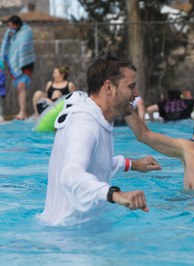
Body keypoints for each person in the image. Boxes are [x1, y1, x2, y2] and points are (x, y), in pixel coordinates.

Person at [38, 54, 162, 226]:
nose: (135, 94)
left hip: (80, 229)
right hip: (69, 236)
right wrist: (116, 195)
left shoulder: (96, 116)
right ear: (109, 87)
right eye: (131, 87)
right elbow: (70, 175)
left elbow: (98, 161)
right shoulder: (84, 124)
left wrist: (132, 165)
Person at [0, 15, 35, 120]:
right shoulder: (9, 33)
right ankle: (22, 112)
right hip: (15, 63)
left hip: (26, 62)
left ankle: (22, 112)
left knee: (21, 86)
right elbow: (5, 45)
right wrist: (10, 36)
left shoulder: (27, 31)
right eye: (9, 26)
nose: (11, 28)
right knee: (19, 89)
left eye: (12, 26)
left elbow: (23, 45)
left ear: (18, 24)